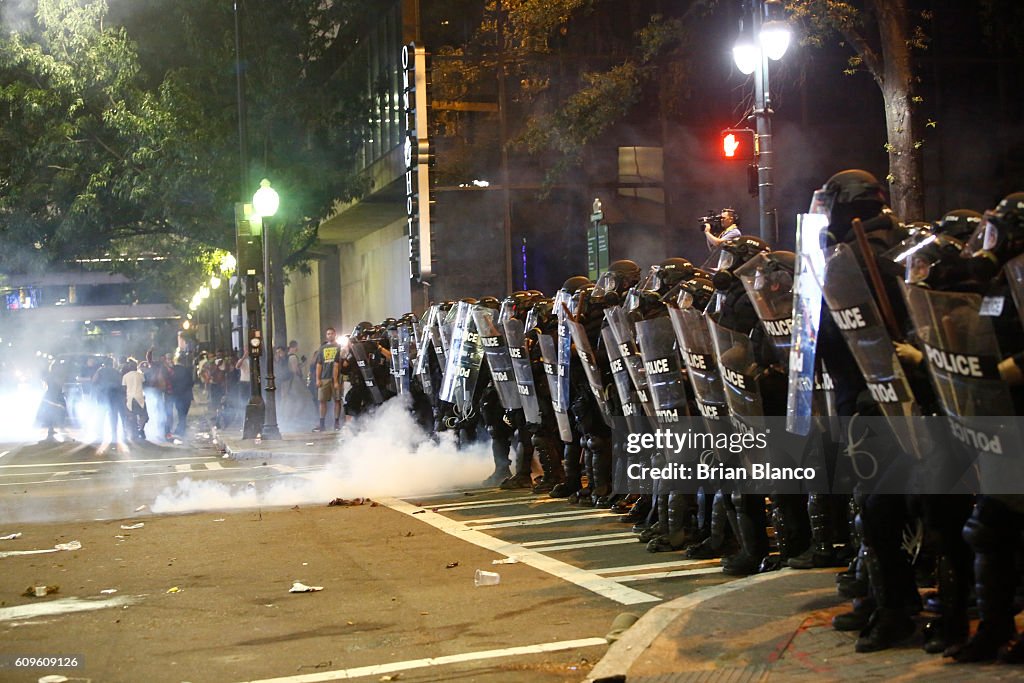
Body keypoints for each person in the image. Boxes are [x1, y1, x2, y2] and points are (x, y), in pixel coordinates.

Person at [312, 327, 343, 432]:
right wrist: (318, 378)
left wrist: (336, 381)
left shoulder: (339, 347)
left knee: (337, 400)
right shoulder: (322, 348)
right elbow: (319, 364)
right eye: (328, 334)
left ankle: (336, 422)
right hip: (324, 377)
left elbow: (338, 364)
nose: (330, 335)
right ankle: (322, 423)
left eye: (331, 333)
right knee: (322, 400)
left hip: (337, 377)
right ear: (326, 335)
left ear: (335, 334)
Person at [122, 358, 148, 440]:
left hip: (130, 399)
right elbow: (144, 384)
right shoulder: (140, 375)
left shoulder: (125, 376)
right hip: (139, 398)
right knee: (144, 416)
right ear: (136, 367)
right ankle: (140, 429)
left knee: (131, 416)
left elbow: (124, 388)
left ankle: (134, 432)